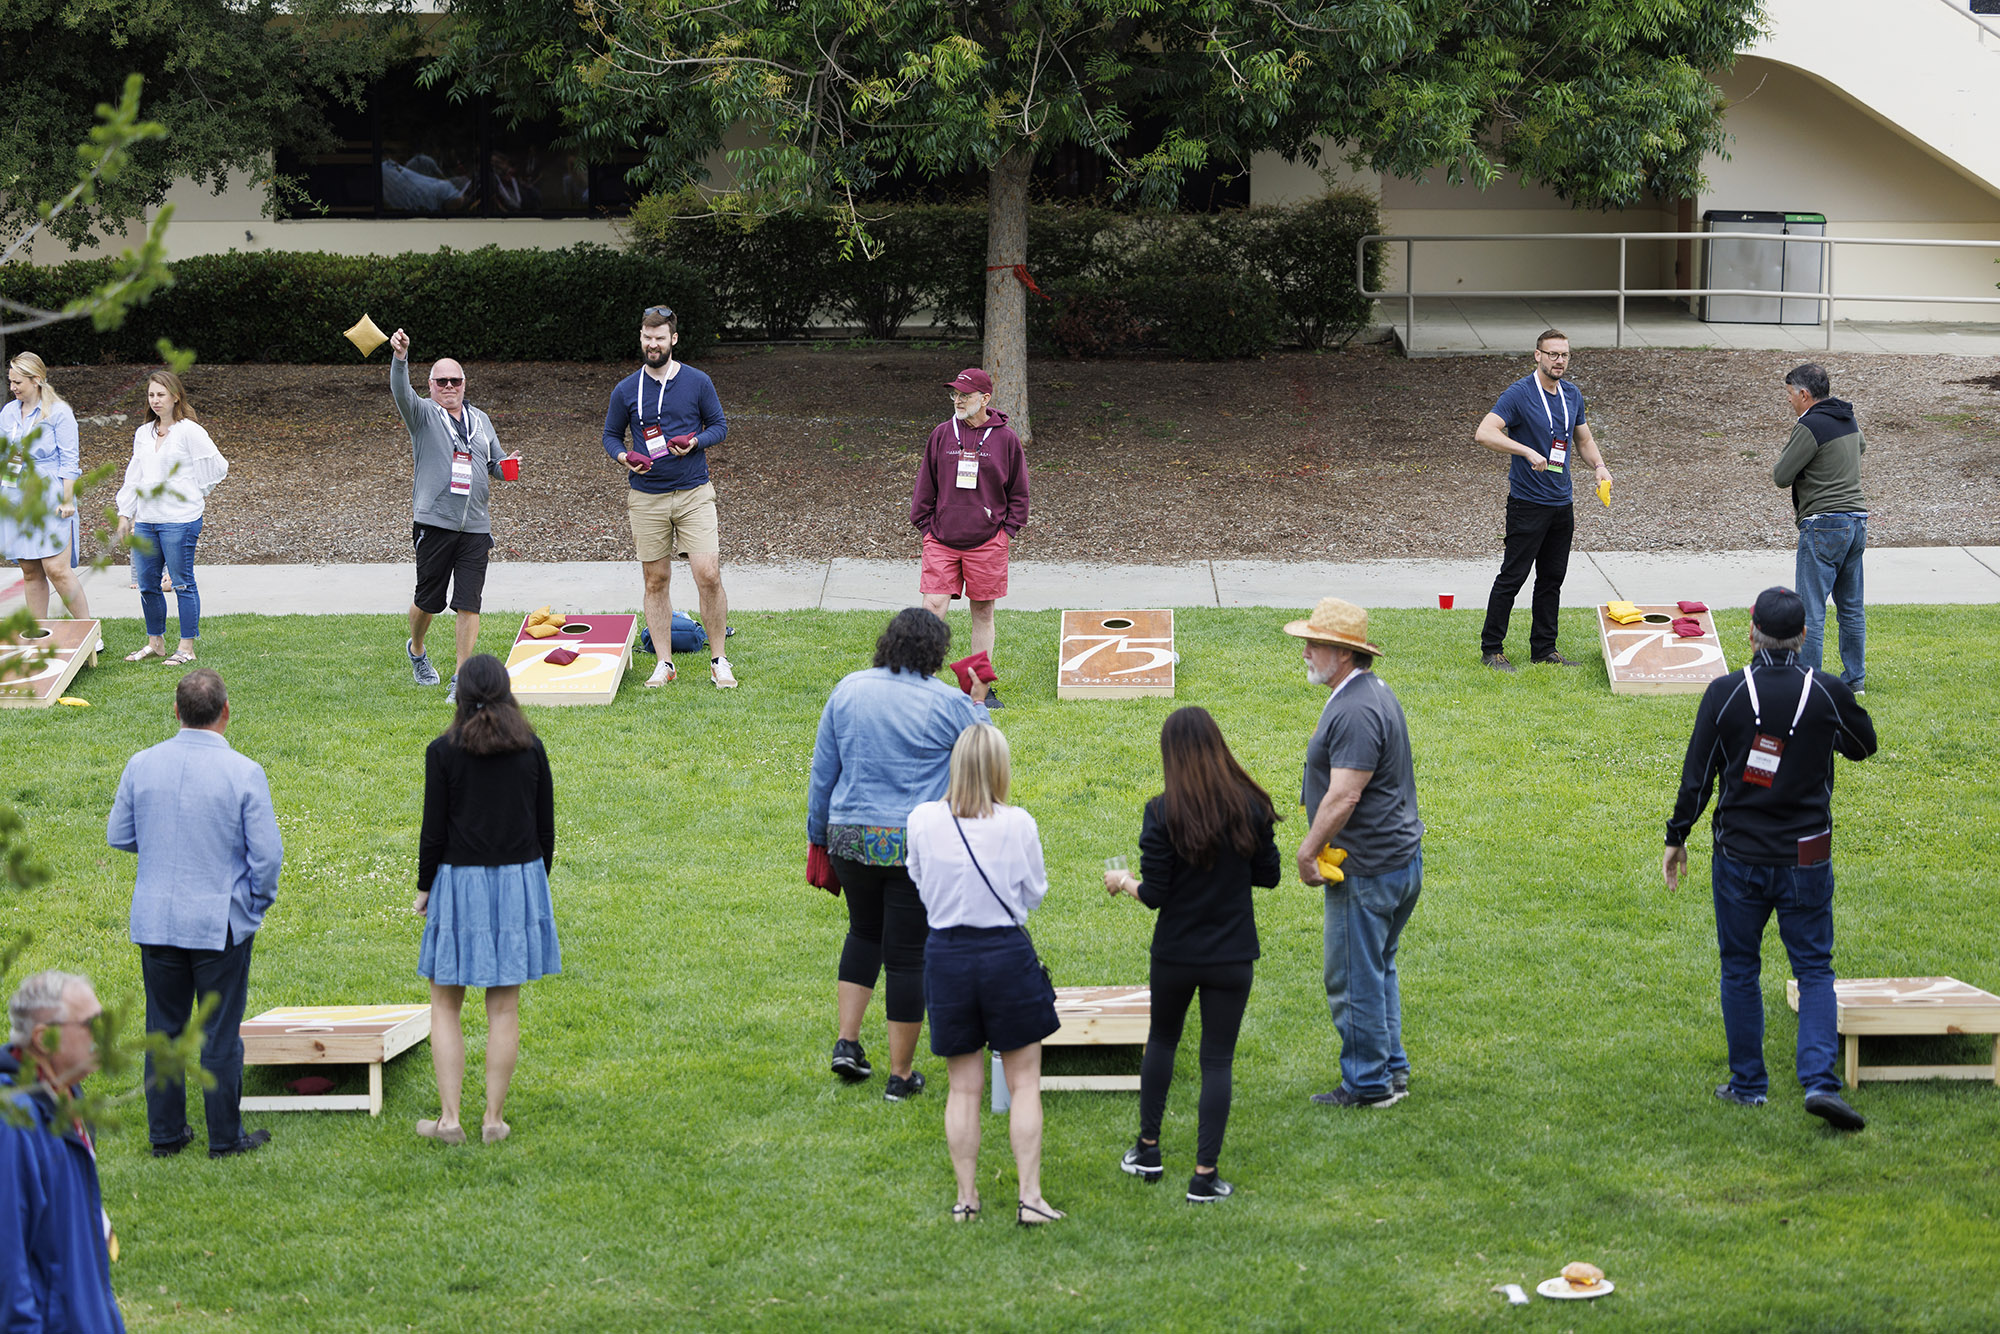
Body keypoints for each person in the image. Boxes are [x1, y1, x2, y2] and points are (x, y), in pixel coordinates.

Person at [1664, 586, 1878, 1131]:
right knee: (1813, 969)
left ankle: (1749, 1086)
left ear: (1752, 632)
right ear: (1804, 635)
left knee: (1740, 968)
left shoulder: (1725, 693)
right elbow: (1863, 744)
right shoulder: (1826, 692)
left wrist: (1677, 836)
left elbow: (1699, 774)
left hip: (1739, 853)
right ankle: (1821, 1084)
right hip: (1808, 854)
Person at [806, 608, 989, 1099]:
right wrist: (978, 703)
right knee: (907, 957)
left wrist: (818, 835)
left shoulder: (848, 689)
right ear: (935, 652)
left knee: (863, 932)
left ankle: (847, 1044)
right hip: (913, 844)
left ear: (887, 642)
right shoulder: (949, 703)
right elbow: (986, 756)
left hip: (847, 837)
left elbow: (823, 771)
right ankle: (900, 1076)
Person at [1104, 707, 1280, 1202]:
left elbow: (1156, 893)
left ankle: (1148, 1150)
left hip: (1176, 953)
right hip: (1232, 956)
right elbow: (1269, 875)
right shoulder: (1250, 805)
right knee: (1216, 1061)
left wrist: (1123, 882)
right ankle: (1204, 1176)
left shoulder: (1161, 811)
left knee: (1162, 1042)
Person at [106, 668, 282, 1159]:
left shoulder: (141, 764)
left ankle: (165, 1136)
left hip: (157, 919)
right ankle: (225, 1138)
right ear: (226, 712)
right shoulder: (244, 772)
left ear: (177, 713)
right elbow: (266, 858)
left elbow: (118, 835)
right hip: (219, 923)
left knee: (163, 1029)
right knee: (220, 1032)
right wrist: (254, 906)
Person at [907, 724, 1063, 1225]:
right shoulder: (1018, 823)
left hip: (947, 956)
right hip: (1004, 953)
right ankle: (1030, 1198)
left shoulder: (923, 820)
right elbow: (1033, 893)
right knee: (1024, 1082)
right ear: (1000, 768)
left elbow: (917, 878)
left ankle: (967, 1198)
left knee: (963, 1087)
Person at [413, 654, 560, 1145]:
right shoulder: (531, 748)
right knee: (503, 1010)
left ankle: (450, 1120)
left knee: (444, 1004)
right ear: (506, 693)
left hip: (459, 884)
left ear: (462, 696)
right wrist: (534, 882)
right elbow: (546, 829)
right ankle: (493, 1120)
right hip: (519, 881)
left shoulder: (443, 750)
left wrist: (424, 887)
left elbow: (433, 830)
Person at [1286, 598, 1425, 1108]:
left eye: (1314, 643)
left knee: (1352, 978)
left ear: (1343, 654)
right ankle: (1392, 1071)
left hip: (1366, 869)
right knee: (1379, 968)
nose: (1304, 651)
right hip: (1397, 862)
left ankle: (1367, 1085)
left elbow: (1344, 794)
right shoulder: (1369, 692)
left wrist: (1308, 850)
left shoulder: (1355, 709)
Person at [600, 305, 736, 689]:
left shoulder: (697, 381)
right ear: (641, 339)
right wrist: (624, 456)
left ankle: (719, 659)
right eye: (647, 337)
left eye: (660, 337)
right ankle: (664, 663)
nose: (653, 344)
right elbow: (610, 436)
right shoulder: (626, 389)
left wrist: (695, 441)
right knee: (655, 580)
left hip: (694, 492)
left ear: (673, 339)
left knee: (708, 574)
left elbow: (720, 426)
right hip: (647, 497)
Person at [389, 326, 519, 705]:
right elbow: (400, 391)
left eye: (455, 380)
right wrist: (400, 358)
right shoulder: (423, 415)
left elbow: (494, 461)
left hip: (476, 525)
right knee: (429, 599)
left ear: (464, 383)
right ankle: (416, 648)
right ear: (430, 385)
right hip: (435, 523)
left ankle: (462, 678)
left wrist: (506, 467)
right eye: (441, 380)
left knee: (468, 601)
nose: (449, 386)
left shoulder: (480, 420)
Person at [1473, 329, 1612, 671]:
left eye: (1563, 355)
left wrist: (1599, 466)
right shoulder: (1519, 394)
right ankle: (1492, 649)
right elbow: (1485, 432)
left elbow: (1583, 439)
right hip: (1527, 503)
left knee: (1552, 578)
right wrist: (1524, 450)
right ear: (1537, 356)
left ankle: (1544, 650)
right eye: (1552, 354)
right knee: (1513, 576)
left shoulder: (1571, 395)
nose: (1559, 360)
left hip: (1561, 503)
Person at [1, 970, 124, 1332]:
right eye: (91, 1025)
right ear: (44, 1038)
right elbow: (7, 1265)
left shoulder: (66, 1097)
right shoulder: (14, 1122)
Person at [911, 368, 1030, 708]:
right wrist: (925, 526)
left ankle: (977, 689)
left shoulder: (1006, 440)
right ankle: (922, 684)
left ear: (985, 399)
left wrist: (1007, 531)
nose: (958, 400)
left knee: (982, 612)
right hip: (942, 538)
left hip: (987, 541)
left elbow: (1019, 493)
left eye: (965, 394)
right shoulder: (941, 434)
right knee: (932, 607)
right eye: (955, 394)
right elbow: (926, 484)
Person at [114, 370, 229, 667]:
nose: (155, 400)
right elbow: (133, 477)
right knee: (147, 584)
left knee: (182, 583)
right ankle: (156, 642)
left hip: (180, 521)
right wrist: (125, 514)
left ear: (175, 396)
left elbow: (217, 466)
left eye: (161, 394)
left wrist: (196, 492)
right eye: (151, 395)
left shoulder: (189, 430)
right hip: (147, 521)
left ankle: (186, 647)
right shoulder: (143, 433)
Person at [1775, 364, 1869, 693]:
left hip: (1823, 525)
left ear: (1804, 394)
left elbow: (1781, 475)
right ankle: (1855, 681)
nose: (1788, 400)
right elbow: (1861, 448)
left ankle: (1808, 684)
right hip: (1857, 522)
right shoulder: (1847, 417)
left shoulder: (1810, 425)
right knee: (1851, 608)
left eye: (1789, 394)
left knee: (1812, 612)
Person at [1, 352, 97, 642]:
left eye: (18, 382)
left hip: (51, 494)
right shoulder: (7, 412)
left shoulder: (58, 412)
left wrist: (68, 499)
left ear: (37, 380)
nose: (13, 387)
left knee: (56, 568)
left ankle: (89, 632)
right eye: (11, 382)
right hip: (17, 496)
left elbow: (70, 461)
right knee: (30, 570)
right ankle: (38, 633)